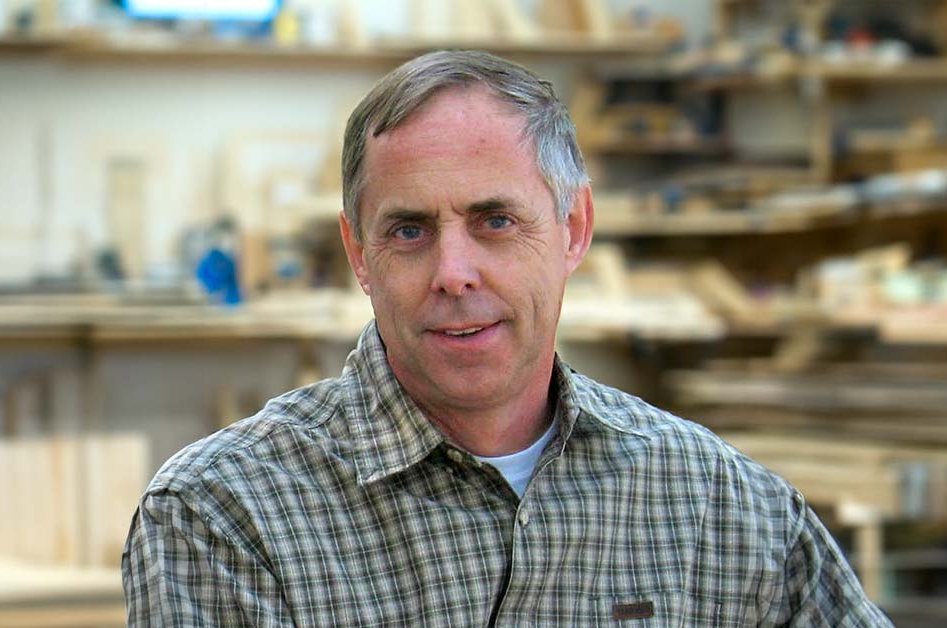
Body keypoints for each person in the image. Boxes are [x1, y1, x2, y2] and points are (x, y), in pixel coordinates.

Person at [122, 50, 892, 626]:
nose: (454, 272)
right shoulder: (223, 516)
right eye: (410, 230)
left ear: (574, 228)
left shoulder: (720, 506)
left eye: (495, 220)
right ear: (360, 254)